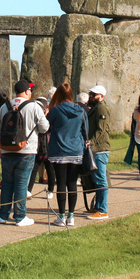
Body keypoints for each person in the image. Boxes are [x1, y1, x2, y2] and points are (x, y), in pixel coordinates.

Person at [0, 80, 49, 227]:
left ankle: (3, 214)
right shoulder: (34, 106)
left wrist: (1, 145)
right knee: (21, 184)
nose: (30, 92)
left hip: (6, 150)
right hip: (26, 150)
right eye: (29, 90)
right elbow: (44, 127)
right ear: (26, 92)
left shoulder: (5, 107)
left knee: (7, 183)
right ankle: (20, 216)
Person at [46, 83, 88, 226]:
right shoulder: (80, 111)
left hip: (59, 150)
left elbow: (46, 127)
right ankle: (71, 216)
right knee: (72, 184)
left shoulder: (56, 110)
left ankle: (61, 216)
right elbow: (85, 130)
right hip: (76, 150)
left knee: (61, 184)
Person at [86, 85, 111, 221]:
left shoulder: (101, 108)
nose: (91, 96)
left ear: (101, 96)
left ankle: (103, 210)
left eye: (94, 94)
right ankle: (97, 207)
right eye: (91, 94)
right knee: (97, 179)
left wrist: (91, 142)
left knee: (101, 179)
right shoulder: (96, 108)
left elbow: (100, 130)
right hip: (96, 148)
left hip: (100, 148)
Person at [26, 96, 55, 201]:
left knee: (50, 170)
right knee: (34, 170)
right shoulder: (35, 116)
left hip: (47, 147)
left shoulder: (50, 117)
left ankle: (50, 190)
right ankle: (28, 190)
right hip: (38, 148)